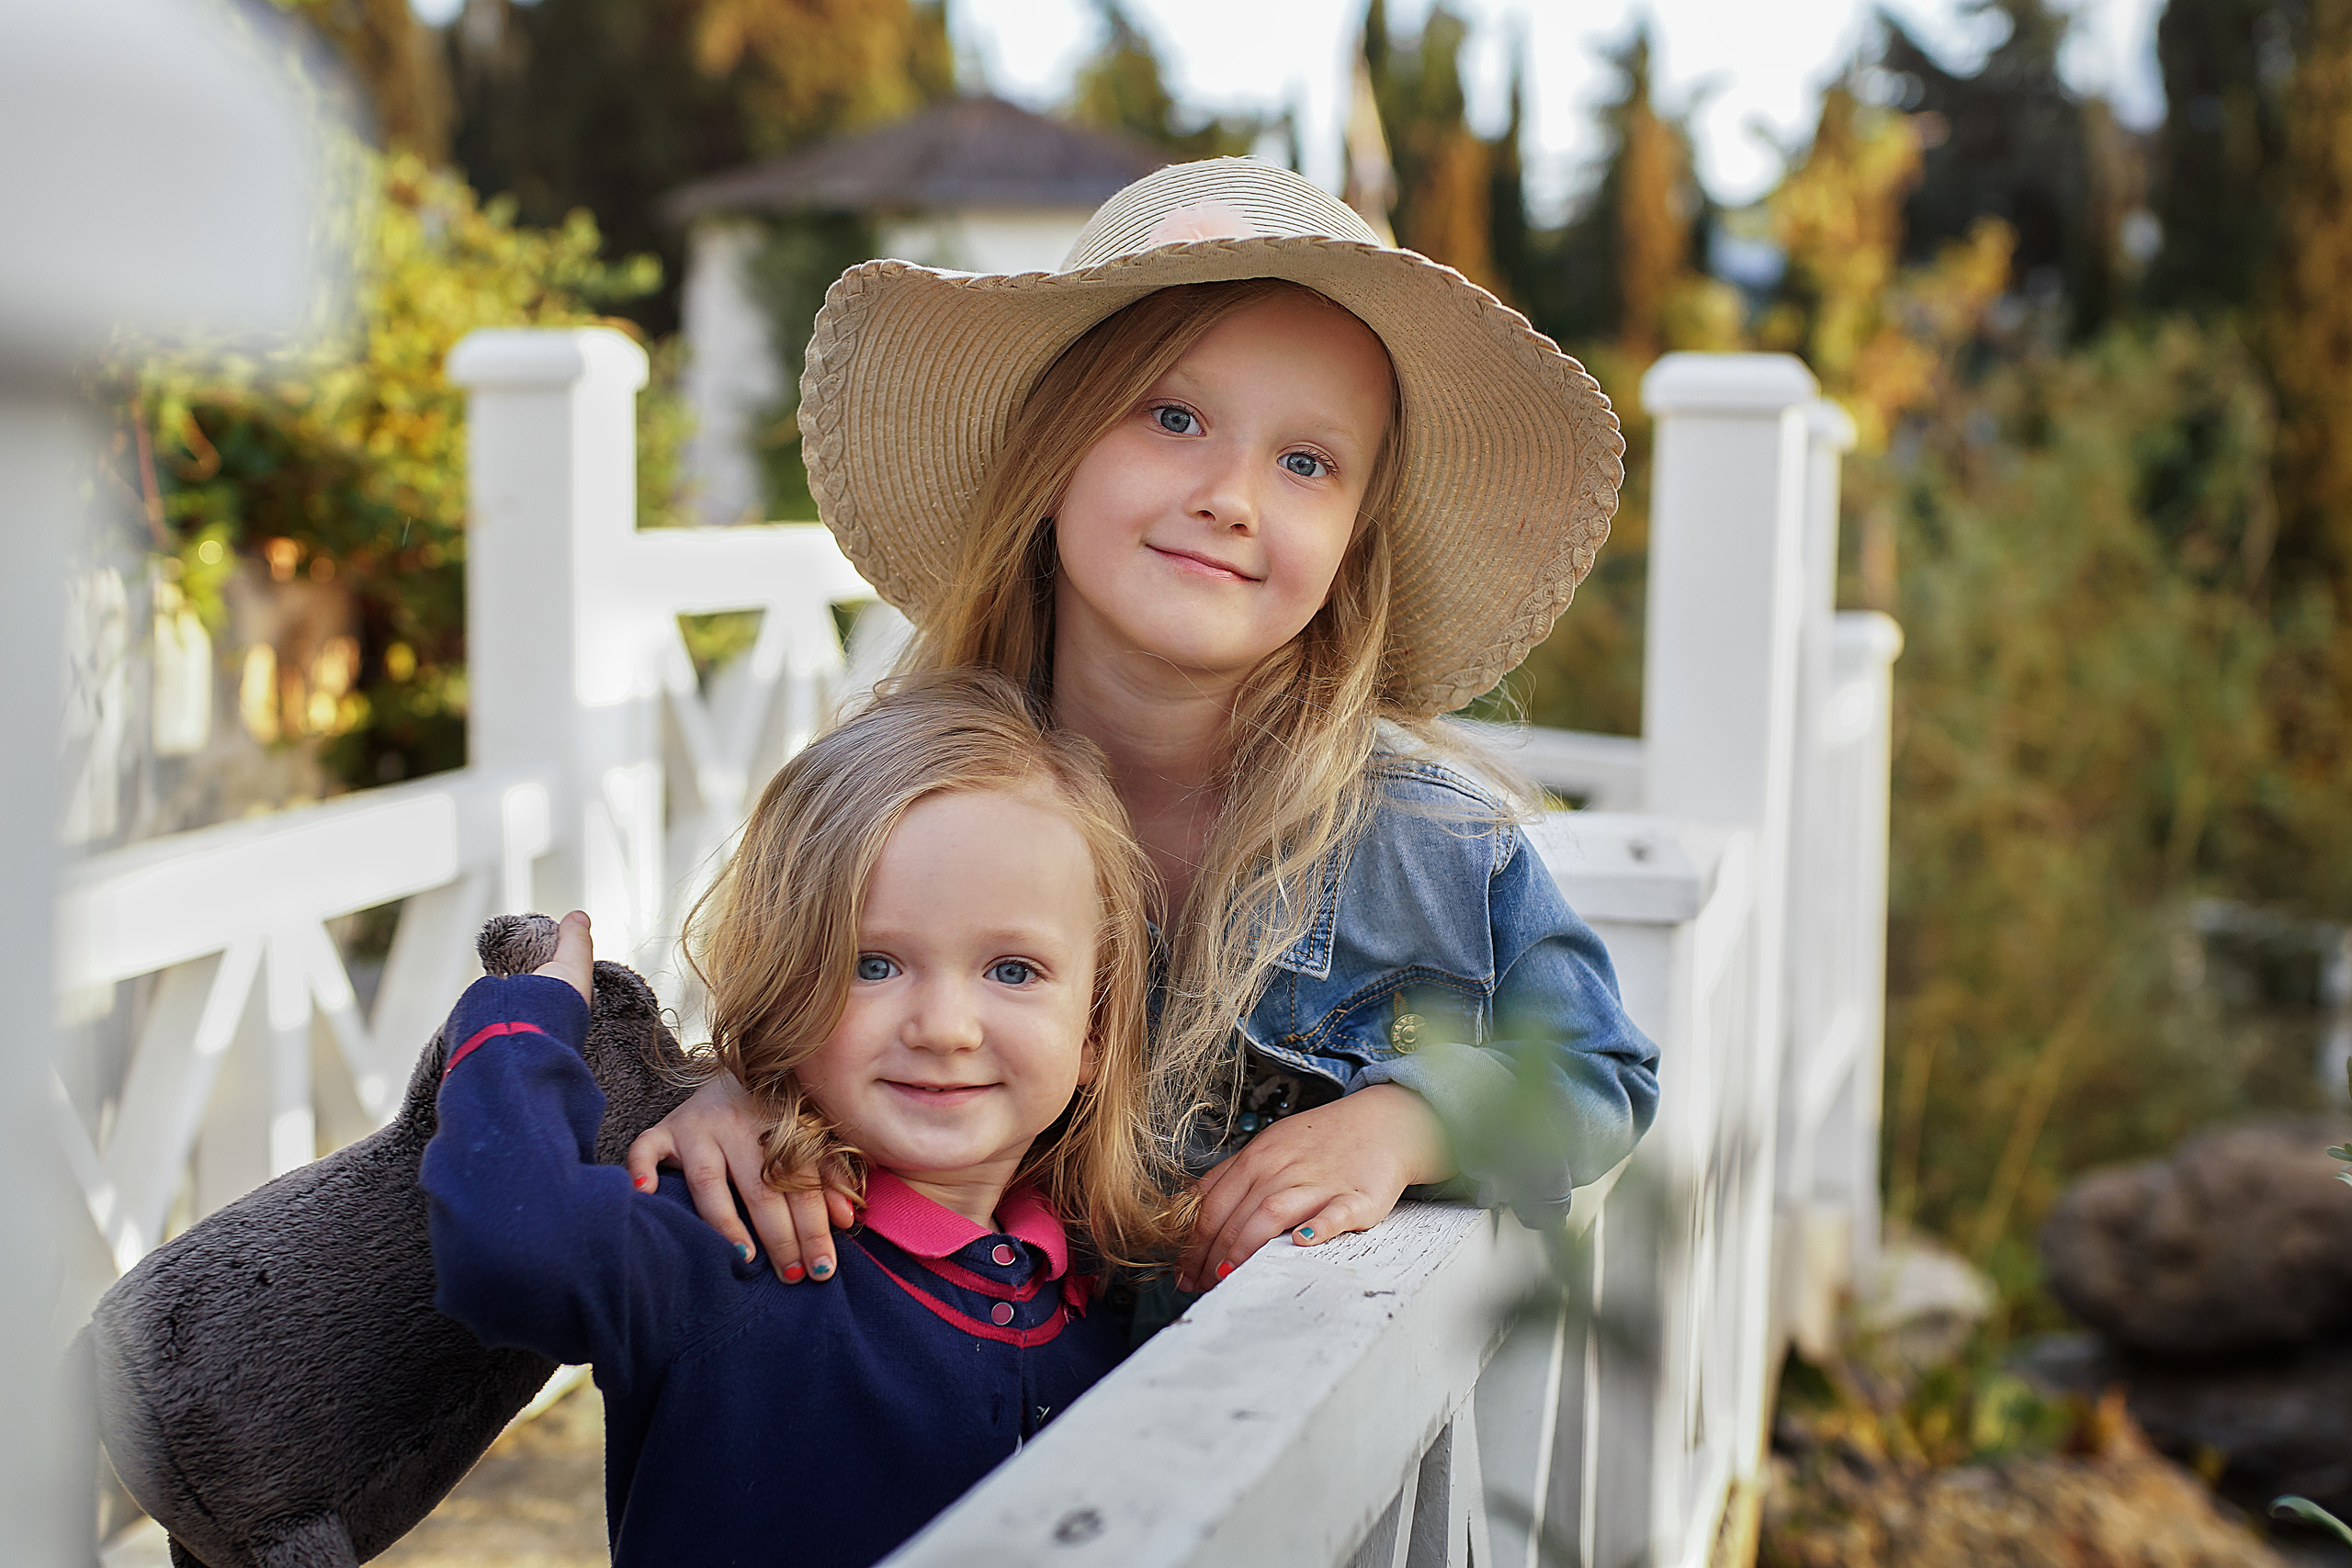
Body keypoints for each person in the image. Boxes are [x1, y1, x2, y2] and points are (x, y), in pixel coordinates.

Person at [628, 156, 1661, 1303]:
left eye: (1306, 462)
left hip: (1256, 1447)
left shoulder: (1428, 848)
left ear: (1353, 543)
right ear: (1055, 452)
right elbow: (777, 1018)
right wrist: (735, 1092)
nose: (1232, 495)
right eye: (1174, 417)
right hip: (938, 1443)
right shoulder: (899, 799)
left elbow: (1601, 1074)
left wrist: (1405, 1125)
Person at [421, 672, 1186, 1568]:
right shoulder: (725, 1241)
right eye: (873, 964)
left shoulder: (1110, 1278)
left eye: (1012, 970)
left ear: (1093, 1028)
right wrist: (525, 1013)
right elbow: (509, 1249)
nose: (944, 1028)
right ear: (789, 987)